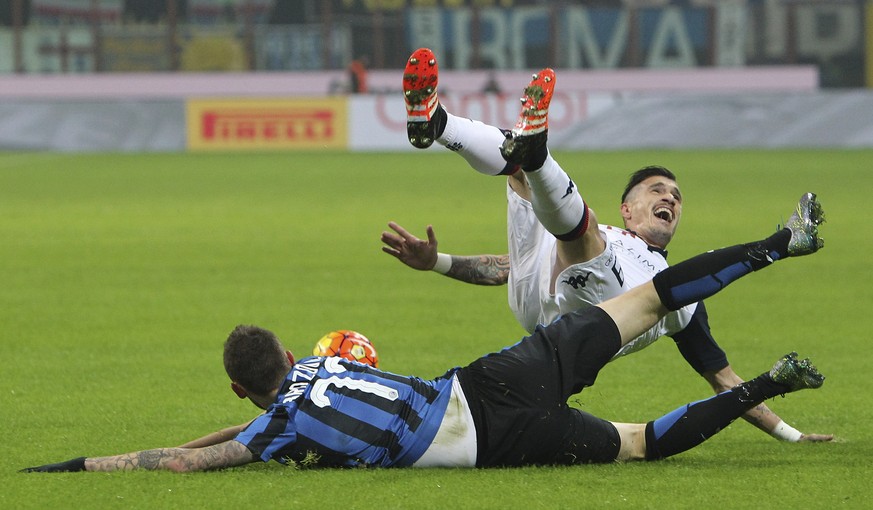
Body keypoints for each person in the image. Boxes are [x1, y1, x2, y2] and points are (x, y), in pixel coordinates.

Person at [21, 222, 826, 472]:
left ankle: (766, 383)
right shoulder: (326, 359)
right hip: (491, 377)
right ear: (286, 356)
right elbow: (253, 419)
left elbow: (185, 460)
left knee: (642, 445)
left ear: (242, 395)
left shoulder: (275, 432)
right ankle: (777, 243)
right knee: (648, 296)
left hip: (492, 440)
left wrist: (85, 466)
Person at [389, 48, 832, 443]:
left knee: (579, 229)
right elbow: (503, 268)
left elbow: (723, 379)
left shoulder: (684, 301)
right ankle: (437, 122)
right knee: (520, 170)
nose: (669, 199)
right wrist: (437, 263)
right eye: (657, 190)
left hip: (590, 321)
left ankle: (530, 148)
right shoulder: (612, 238)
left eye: (676, 197)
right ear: (628, 208)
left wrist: (789, 434)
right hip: (536, 294)